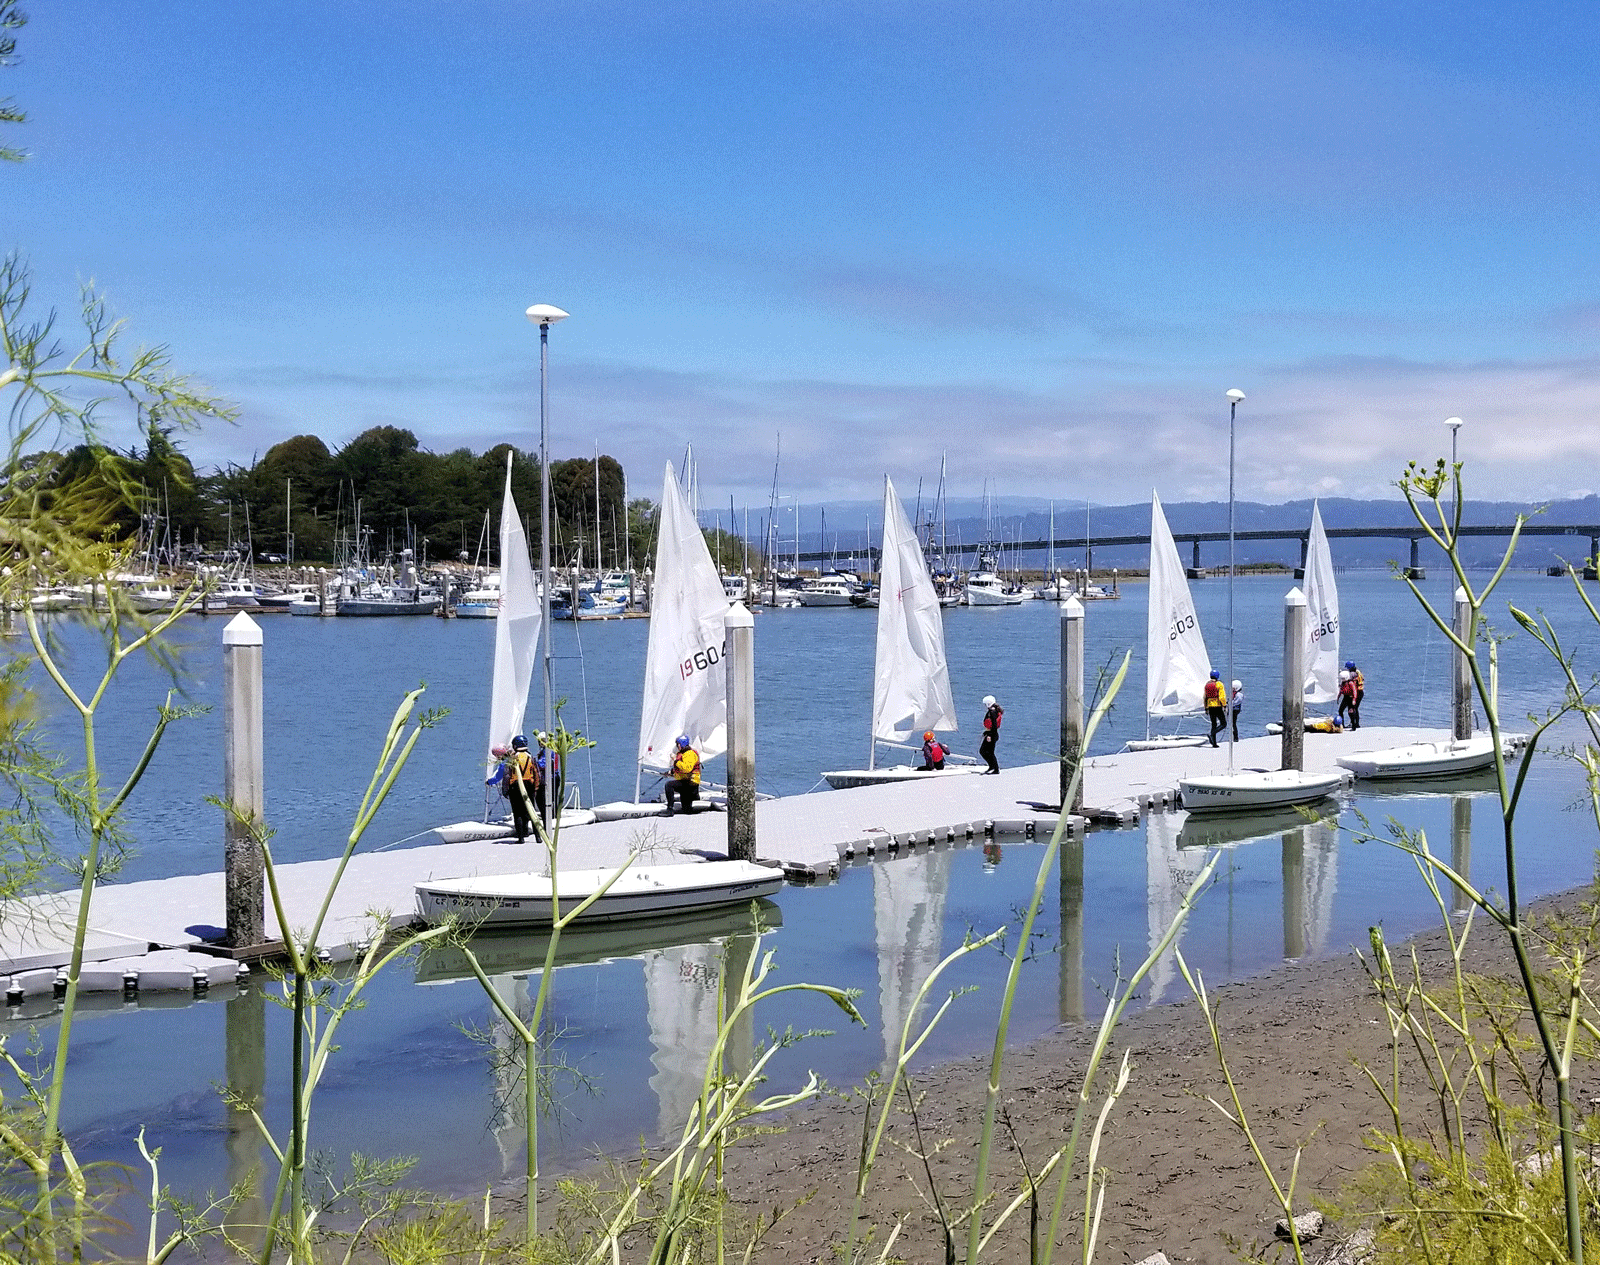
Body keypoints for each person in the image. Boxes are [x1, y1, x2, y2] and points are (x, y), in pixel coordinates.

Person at [493, 735, 540, 843]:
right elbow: (536, 773)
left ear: (515, 746)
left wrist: (505, 790)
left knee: (517, 813)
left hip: (516, 787)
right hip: (529, 786)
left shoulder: (512, 759)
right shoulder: (530, 757)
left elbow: (507, 775)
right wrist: (536, 788)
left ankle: (521, 838)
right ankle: (538, 837)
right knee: (531, 811)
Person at [665, 734, 701, 815]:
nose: (677, 746)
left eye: (677, 744)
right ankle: (690, 803)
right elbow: (682, 769)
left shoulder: (690, 754)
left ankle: (670, 809)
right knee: (686, 810)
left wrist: (675, 761)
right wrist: (672, 772)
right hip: (686, 784)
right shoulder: (684, 754)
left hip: (691, 785)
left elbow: (687, 769)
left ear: (680, 745)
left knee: (669, 785)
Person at [534, 731, 561, 821]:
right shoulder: (551, 749)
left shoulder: (548, 750)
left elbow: (544, 764)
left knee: (549, 798)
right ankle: (552, 815)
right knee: (553, 797)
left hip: (551, 778)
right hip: (553, 776)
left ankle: (551, 816)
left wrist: (533, 762)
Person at [1203, 670, 1228, 747]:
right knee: (1223, 724)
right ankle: (1211, 734)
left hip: (1210, 706)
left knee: (1213, 724)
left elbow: (1205, 697)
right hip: (1217, 706)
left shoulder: (1207, 685)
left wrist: (1206, 707)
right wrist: (1224, 705)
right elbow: (1222, 696)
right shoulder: (1219, 684)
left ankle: (1214, 743)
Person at [979, 696, 1003, 774]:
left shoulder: (992, 712)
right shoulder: (994, 711)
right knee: (988, 751)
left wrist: (989, 735)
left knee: (984, 751)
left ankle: (995, 768)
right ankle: (992, 767)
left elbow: (994, 725)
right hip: (992, 734)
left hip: (992, 734)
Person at [1344, 660, 1364, 729]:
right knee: (1355, 708)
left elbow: (1353, 682)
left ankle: (1354, 723)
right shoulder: (1358, 672)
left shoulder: (1355, 673)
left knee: (1353, 708)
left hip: (1358, 692)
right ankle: (1356, 723)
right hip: (1360, 691)